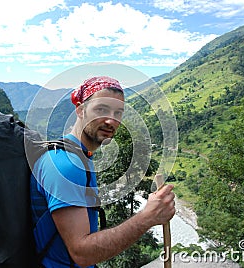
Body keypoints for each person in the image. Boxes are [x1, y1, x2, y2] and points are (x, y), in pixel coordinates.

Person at [30, 76, 175, 267]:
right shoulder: (66, 165)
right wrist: (148, 217)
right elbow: (82, 254)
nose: (111, 120)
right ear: (80, 110)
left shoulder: (80, 156)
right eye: (101, 109)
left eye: (118, 112)